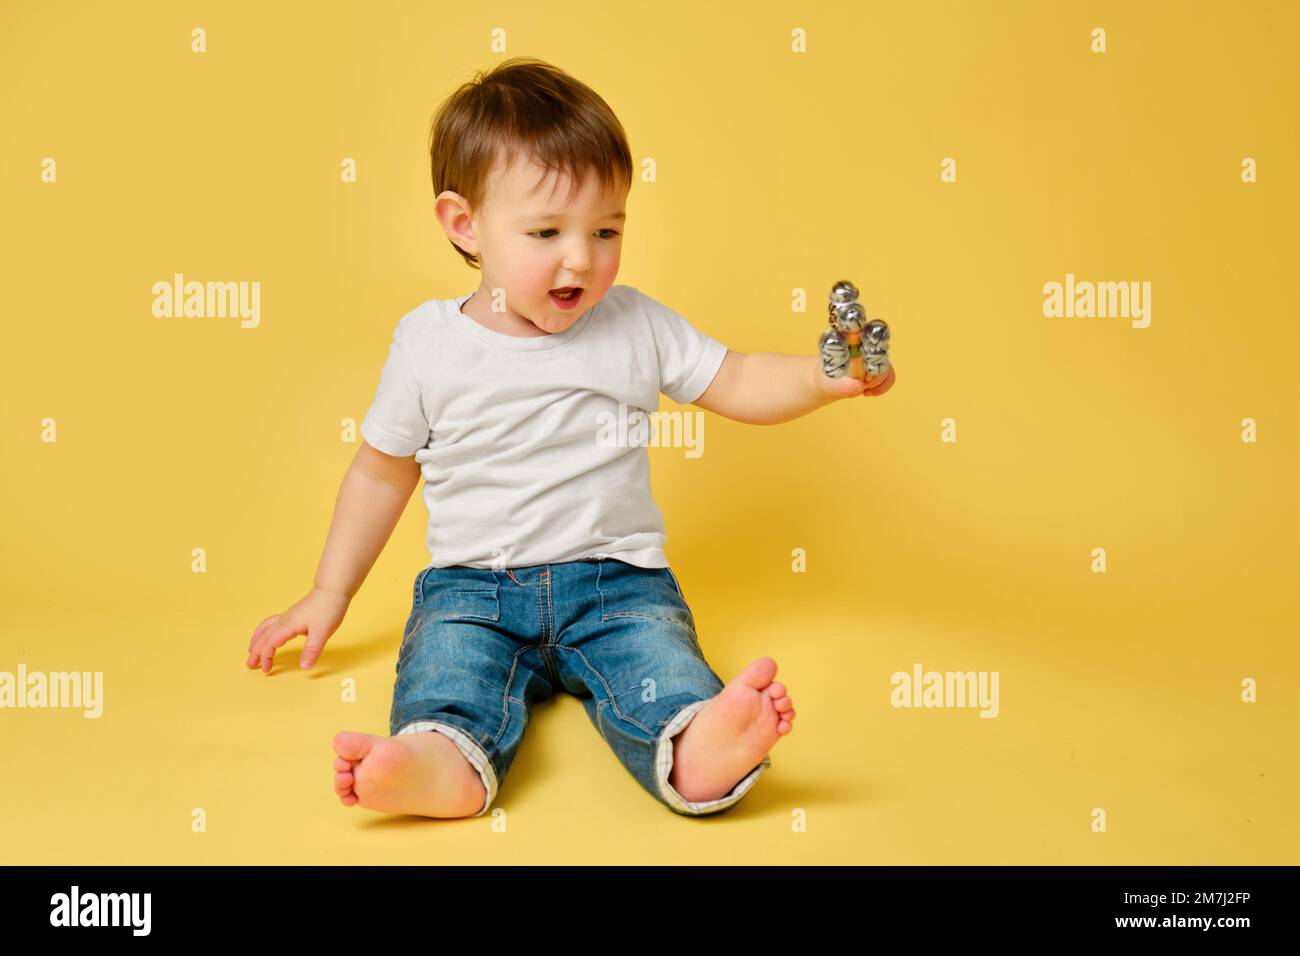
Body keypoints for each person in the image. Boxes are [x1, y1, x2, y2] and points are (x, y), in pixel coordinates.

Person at [245, 57, 895, 819]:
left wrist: (822, 380)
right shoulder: (427, 344)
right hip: (473, 589)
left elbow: (738, 379)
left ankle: (693, 744)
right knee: (449, 670)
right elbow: (381, 474)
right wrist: (331, 590)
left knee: (657, 661)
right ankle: (438, 758)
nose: (581, 258)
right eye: (547, 231)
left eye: (606, 228)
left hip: (617, 583)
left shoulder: (635, 322)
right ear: (466, 226)